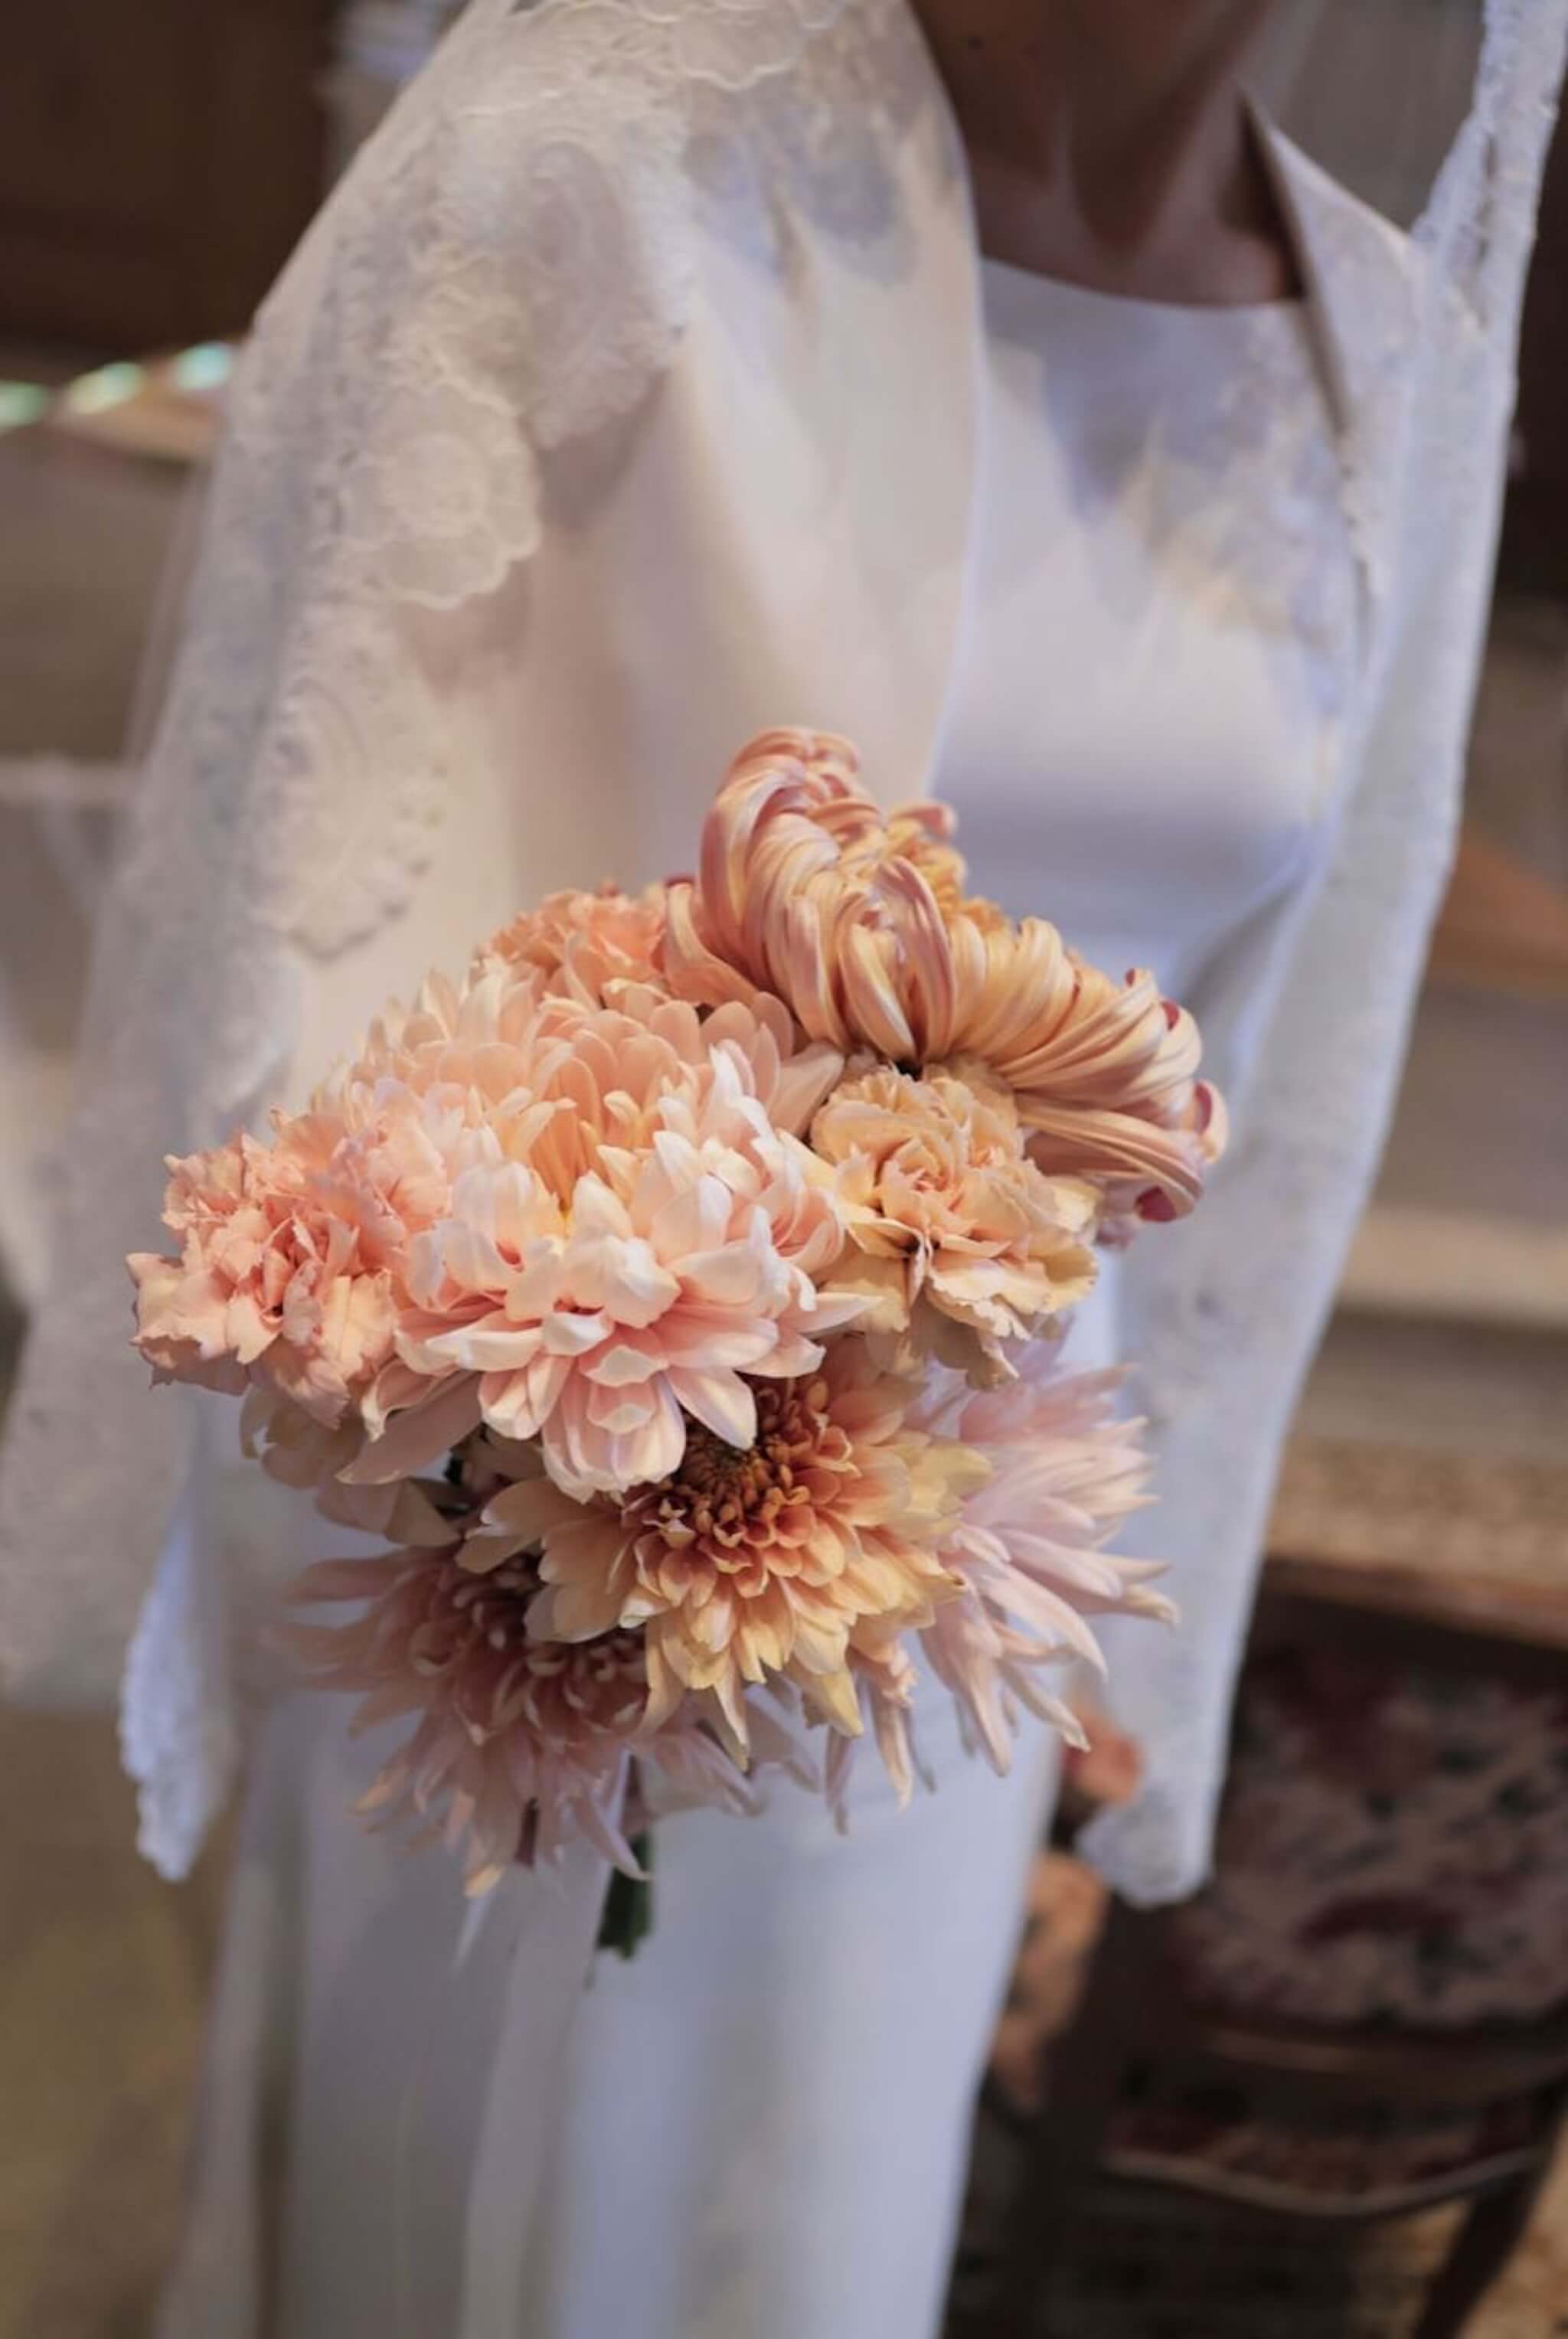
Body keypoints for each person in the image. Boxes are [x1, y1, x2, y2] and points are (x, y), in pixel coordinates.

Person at [1, 2, 1562, 2333]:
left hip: (965, 1555)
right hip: (528, 1469)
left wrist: (1119, 1587)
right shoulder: (596, 164)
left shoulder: (1399, 364)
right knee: (447, 2224)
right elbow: (318, 886)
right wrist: (547, 1404)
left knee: (787, 2216)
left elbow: (1281, 1060)